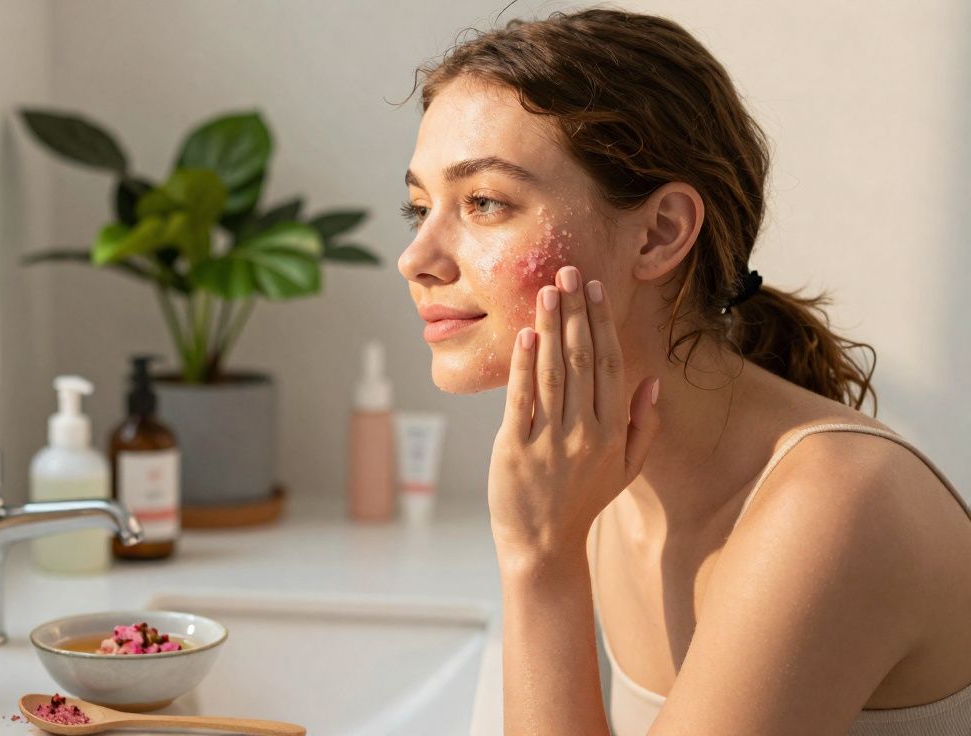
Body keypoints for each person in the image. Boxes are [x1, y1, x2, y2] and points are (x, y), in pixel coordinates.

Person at [397, 8, 971, 734]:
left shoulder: (834, 506)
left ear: (661, 232)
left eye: (483, 203)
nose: (416, 258)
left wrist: (540, 562)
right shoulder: (599, 485)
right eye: (419, 207)